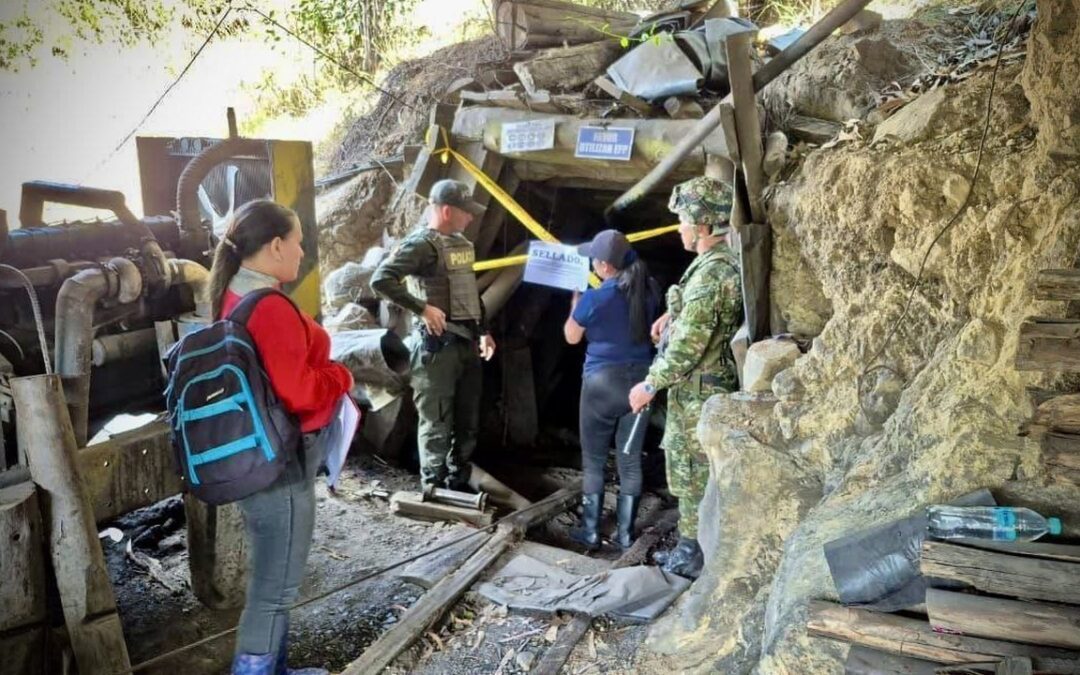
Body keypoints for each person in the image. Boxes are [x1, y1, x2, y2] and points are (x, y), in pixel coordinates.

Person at [208, 199, 354, 675]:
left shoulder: (234, 292)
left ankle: (276, 670)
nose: (302, 251)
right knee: (275, 589)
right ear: (275, 246)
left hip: (256, 454)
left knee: (274, 579)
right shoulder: (269, 307)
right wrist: (341, 377)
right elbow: (298, 391)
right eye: (297, 242)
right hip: (281, 463)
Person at [628, 177, 742, 579]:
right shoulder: (715, 265)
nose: (679, 229)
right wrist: (672, 316)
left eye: (683, 221)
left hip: (698, 393)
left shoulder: (712, 275)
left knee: (692, 476)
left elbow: (689, 348)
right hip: (701, 388)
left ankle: (692, 555)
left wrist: (649, 384)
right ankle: (691, 546)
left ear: (703, 226)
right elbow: (697, 319)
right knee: (691, 472)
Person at [371, 179, 496, 491]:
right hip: (436, 349)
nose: (471, 217)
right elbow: (381, 279)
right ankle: (434, 488)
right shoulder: (421, 245)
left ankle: (458, 481)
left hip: (467, 344)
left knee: (467, 421)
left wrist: (484, 331)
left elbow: (470, 293)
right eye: (466, 211)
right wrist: (422, 309)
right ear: (447, 211)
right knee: (437, 422)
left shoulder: (462, 245)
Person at [564, 229, 660, 550]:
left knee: (593, 460)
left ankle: (591, 533)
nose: (592, 263)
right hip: (641, 384)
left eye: (594, 259)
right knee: (629, 460)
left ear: (605, 266)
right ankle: (625, 535)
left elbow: (572, 337)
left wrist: (575, 303)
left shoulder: (594, 298)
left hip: (601, 384)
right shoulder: (650, 289)